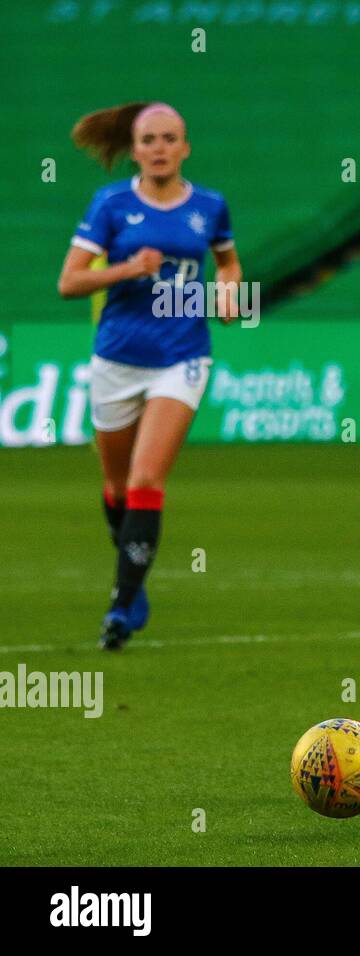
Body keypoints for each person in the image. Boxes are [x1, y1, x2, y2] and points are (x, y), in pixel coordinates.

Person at [57, 102, 242, 650]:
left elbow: (227, 261)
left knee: (143, 481)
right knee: (115, 488)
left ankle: (119, 608)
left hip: (182, 357)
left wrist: (229, 290)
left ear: (185, 147)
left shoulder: (209, 205)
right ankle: (133, 587)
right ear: (134, 150)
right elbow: (69, 282)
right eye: (148, 140)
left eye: (169, 138)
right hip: (117, 357)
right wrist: (126, 269)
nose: (159, 147)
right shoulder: (111, 204)